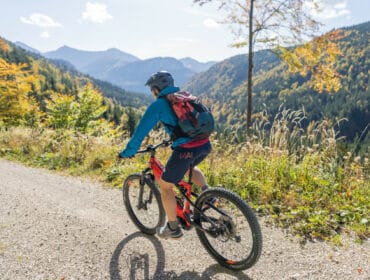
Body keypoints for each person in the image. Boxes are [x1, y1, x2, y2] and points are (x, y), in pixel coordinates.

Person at [118, 71, 212, 239]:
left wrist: (128, 152)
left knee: (165, 186)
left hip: (186, 149)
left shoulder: (159, 105)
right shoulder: (183, 96)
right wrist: (172, 139)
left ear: (156, 89)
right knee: (191, 167)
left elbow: (140, 132)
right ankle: (209, 195)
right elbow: (185, 125)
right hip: (204, 144)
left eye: (152, 90)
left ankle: (173, 228)